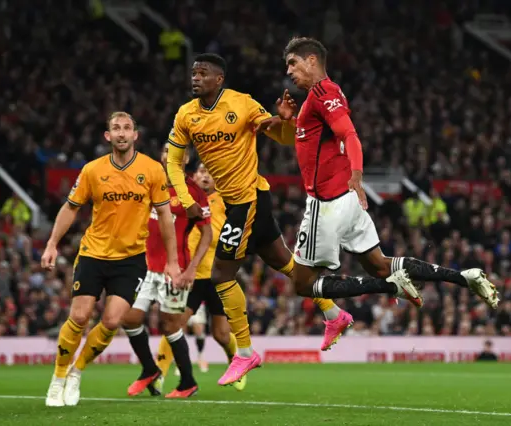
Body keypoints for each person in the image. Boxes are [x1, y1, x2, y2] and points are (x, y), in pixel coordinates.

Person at [166, 53, 417, 386]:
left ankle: (245, 352)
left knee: (222, 274)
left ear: (219, 79)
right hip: (239, 199)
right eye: (193, 73)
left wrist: (285, 121)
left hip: (249, 198)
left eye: (202, 73)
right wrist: (186, 201)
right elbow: (173, 161)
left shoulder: (241, 105)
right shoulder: (186, 115)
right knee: (284, 263)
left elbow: (285, 137)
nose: (195, 78)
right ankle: (333, 313)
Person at [261, 36, 499, 318]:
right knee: (380, 264)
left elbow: (349, 135)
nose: (288, 71)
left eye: (293, 63)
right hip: (347, 200)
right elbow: (312, 142)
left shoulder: (323, 94)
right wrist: (290, 120)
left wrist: (357, 176)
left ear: (311, 60)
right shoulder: (323, 96)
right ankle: (464, 277)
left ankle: (389, 288)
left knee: (303, 283)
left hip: (326, 203)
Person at [42, 112, 181, 407]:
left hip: (130, 259)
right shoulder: (92, 171)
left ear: (135, 135)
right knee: (79, 317)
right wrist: (52, 243)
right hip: (93, 253)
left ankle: (77, 372)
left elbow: (167, 217)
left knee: (112, 320)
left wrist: (172, 260)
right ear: (107, 136)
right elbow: (70, 207)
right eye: (115, 128)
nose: (121, 133)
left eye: (126, 128)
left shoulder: (152, 170)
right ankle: (58, 378)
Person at [123, 144, 213, 399]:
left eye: (174, 151)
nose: (167, 155)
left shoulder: (192, 192)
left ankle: (187, 382)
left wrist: (191, 270)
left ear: (184, 159)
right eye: (164, 150)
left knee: (170, 324)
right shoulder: (150, 183)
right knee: (129, 318)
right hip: (146, 267)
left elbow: (207, 233)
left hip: (176, 269)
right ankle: (150, 369)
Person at [155, 163, 246, 392]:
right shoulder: (185, 201)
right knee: (174, 325)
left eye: (210, 173)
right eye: (201, 172)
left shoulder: (224, 202)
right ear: (193, 176)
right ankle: (159, 375)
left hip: (217, 277)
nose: (205, 176)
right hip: (190, 276)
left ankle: (237, 364)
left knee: (221, 334)